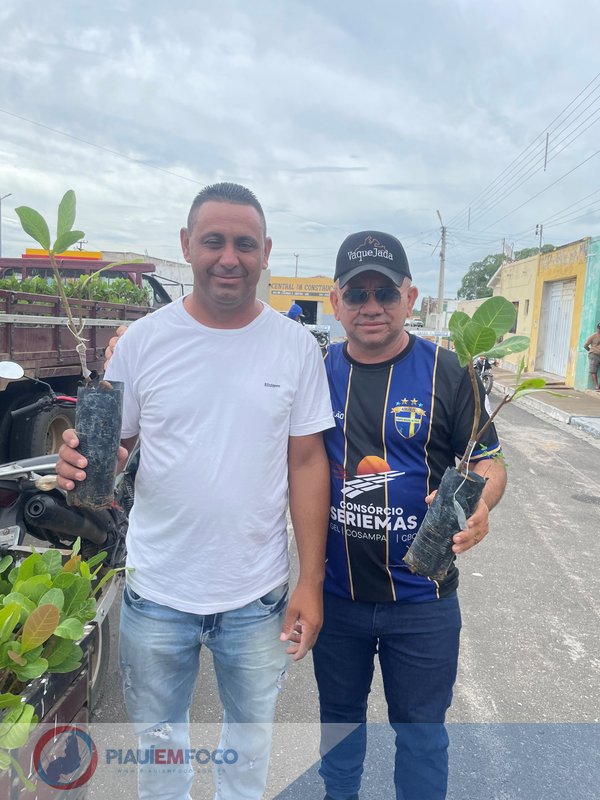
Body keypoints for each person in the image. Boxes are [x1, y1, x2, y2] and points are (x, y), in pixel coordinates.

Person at [56, 182, 334, 800]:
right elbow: (118, 446)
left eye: (244, 244)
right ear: (187, 245)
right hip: (158, 592)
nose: (229, 258)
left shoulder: (294, 347)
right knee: (160, 758)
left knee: (247, 756)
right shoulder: (143, 343)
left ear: (266, 252)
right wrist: (79, 459)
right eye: (213, 241)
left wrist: (310, 581)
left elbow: (307, 463)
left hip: (256, 597)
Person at [314, 231, 507, 800]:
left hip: (424, 600)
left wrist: (482, 506)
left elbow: (490, 462)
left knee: (422, 735)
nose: (371, 306)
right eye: (357, 294)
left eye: (386, 293)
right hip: (338, 596)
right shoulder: (316, 371)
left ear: (410, 297)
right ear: (336, 302)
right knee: (339, 725)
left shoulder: (450, 372)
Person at [583, 322, 600, 390]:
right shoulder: (593, 336)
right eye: (599, 328)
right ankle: (596, 386)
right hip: (594, 355)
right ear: (597, 328)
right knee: (593, 370)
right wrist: (591, 351)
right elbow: (585, 345)